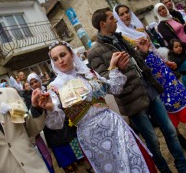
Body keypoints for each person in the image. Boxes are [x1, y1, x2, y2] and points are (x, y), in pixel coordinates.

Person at [88, 7, 186, 173]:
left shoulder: (120, 38)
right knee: (153, 144)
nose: (116, 21)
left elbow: (135, 65)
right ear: (102, 23)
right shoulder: (95, 52)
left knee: (170, 132)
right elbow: (107, 83)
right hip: (132, 102)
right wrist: (117, 69)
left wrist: (141, 53)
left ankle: (183, 169)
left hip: (149, 91)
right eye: (112, 18)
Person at [38, 40, 157, 173]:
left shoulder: (88, 74)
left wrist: (114, 68)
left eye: (62, 55)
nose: (60, 60)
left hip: (113, 124)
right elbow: (57, 124)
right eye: (55, 59)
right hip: (90, 136)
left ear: (71, 54)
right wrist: (50, 108)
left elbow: (114, 88)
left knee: (136, 159)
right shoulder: (54, 87)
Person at [113, 4, 186, 151]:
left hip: (161, 68)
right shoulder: (120, 35)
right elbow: (131, 59)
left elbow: (152, 47)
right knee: (165, 106)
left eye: (127, 12)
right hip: (147, 74)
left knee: (180, 96)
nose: (126, 15)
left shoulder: (138, 27)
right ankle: (178, 136)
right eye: (121, 14)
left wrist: (166, 61)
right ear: (117, 18)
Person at [27, 73, 89, 173]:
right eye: (32, 83)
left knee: (81, 157)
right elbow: (35, 119)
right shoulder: (32, 101)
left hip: (67, 129)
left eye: (36, 81)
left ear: (40, 80)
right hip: (53, 137)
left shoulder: (51, 90)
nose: (34, 84)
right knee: (68, 165)